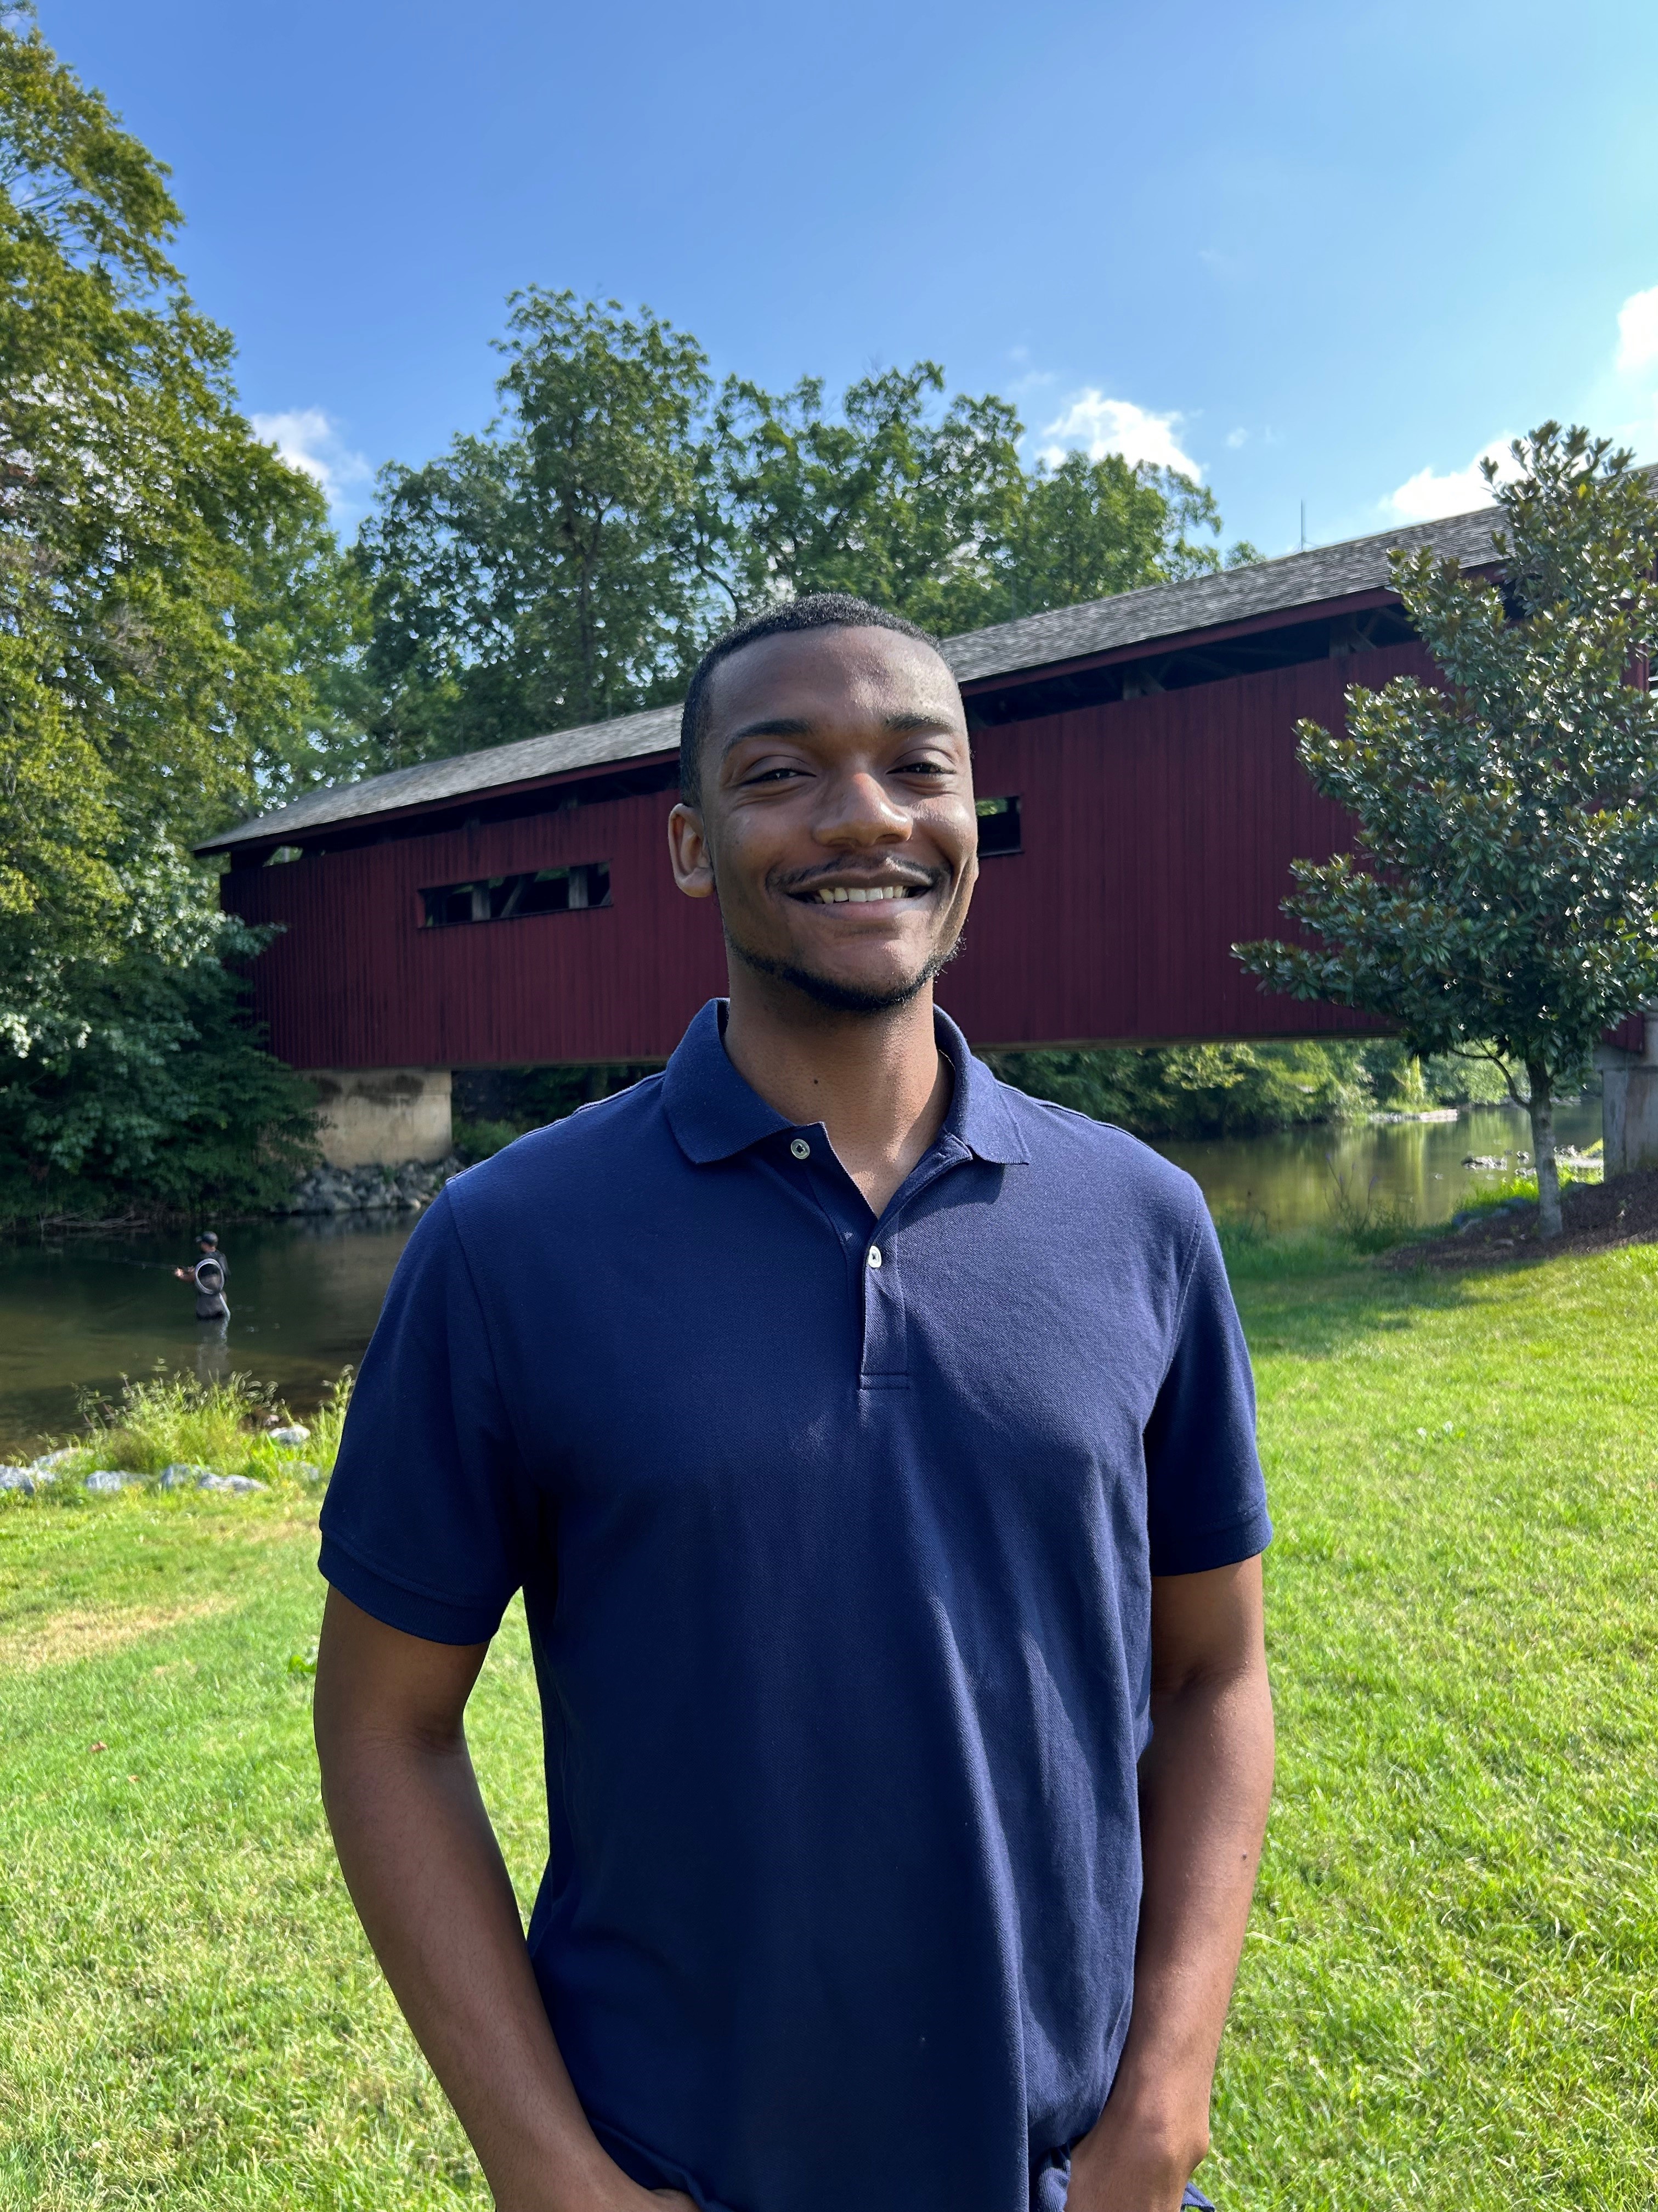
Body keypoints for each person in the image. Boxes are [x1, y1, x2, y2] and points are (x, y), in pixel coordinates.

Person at [313, 594, 1275, 2212]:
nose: (865, 819)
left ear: (977, 820)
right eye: (783, 774)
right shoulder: (507, 1247)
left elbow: (1216, 1673)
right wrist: (547, 2172)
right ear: (689, 847)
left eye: (919, 766)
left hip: (1059, 2169)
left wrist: (1164, 2110)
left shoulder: (1143, 1223)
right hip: (675, 2163)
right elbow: (384, 1722)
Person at [174, 1229, 229, 1322]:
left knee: (206, 1327)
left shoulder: (202, 1259)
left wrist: (180, 1275)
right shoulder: (221, 1256)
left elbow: (191, 1278)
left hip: (206, 1307)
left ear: (205, 1245)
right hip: (221, 1302)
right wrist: (194, 1270)